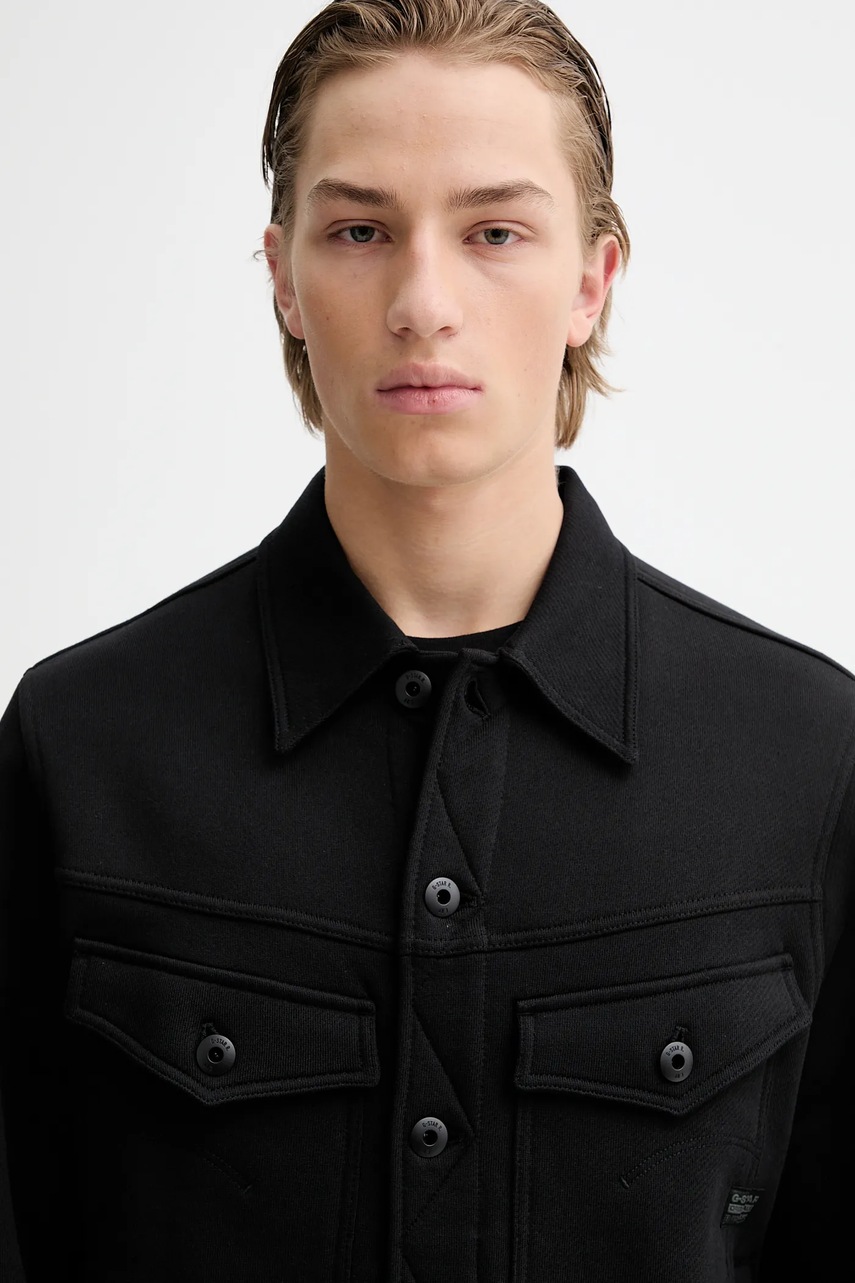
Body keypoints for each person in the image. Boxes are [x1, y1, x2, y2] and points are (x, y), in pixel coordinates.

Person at [1, 1, 852, 1280]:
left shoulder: (807, 758)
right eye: (360, 230)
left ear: (592, 279)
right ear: (283, 276)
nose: (423, 303)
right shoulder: (79, 748)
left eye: (494, 231)